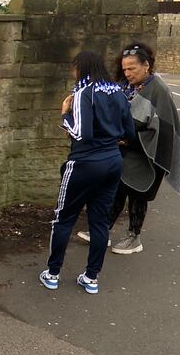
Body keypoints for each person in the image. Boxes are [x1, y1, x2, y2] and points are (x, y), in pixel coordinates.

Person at [39, 51, 135, 295]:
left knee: (64, 218)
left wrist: (64, 115)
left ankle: (52, 273)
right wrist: (112, 141)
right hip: (112, 163)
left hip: (83, 164)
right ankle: (91, 278)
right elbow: (129, 133)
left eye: (74, 69)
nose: (73, 73)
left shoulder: (84, 93)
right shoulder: (118, 92)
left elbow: (82, 133)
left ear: (80, 68)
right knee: (100, 222)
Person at [77, 42, 180, 254]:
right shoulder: (128, 87)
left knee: (138, 195)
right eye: (124, 68)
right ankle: (102, 231)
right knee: (117, 190)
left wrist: (129, 140)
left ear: (146, 66)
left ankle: (134, 238)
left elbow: (162, 131)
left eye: (132, 68)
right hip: (127, 153)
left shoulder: (158, 90)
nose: (127, 73)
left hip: (147, 154)